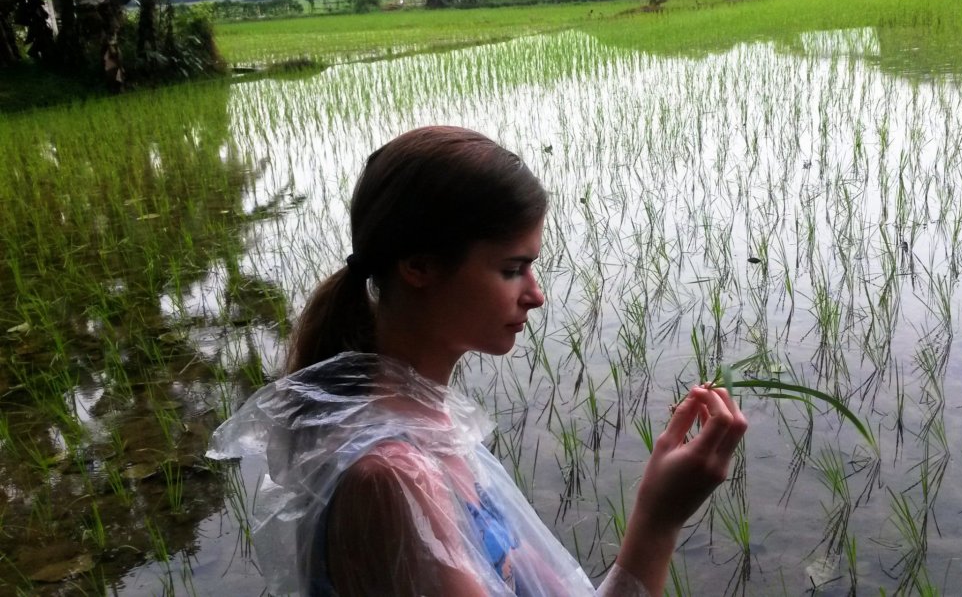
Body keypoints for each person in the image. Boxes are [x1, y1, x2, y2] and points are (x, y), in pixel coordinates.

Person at [208, 126, 748, 596]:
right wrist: (656, 523)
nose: (536, 295)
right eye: (513, 269)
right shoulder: (393, 477)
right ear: (418, 265)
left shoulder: (430, 429)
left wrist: (659, 512)